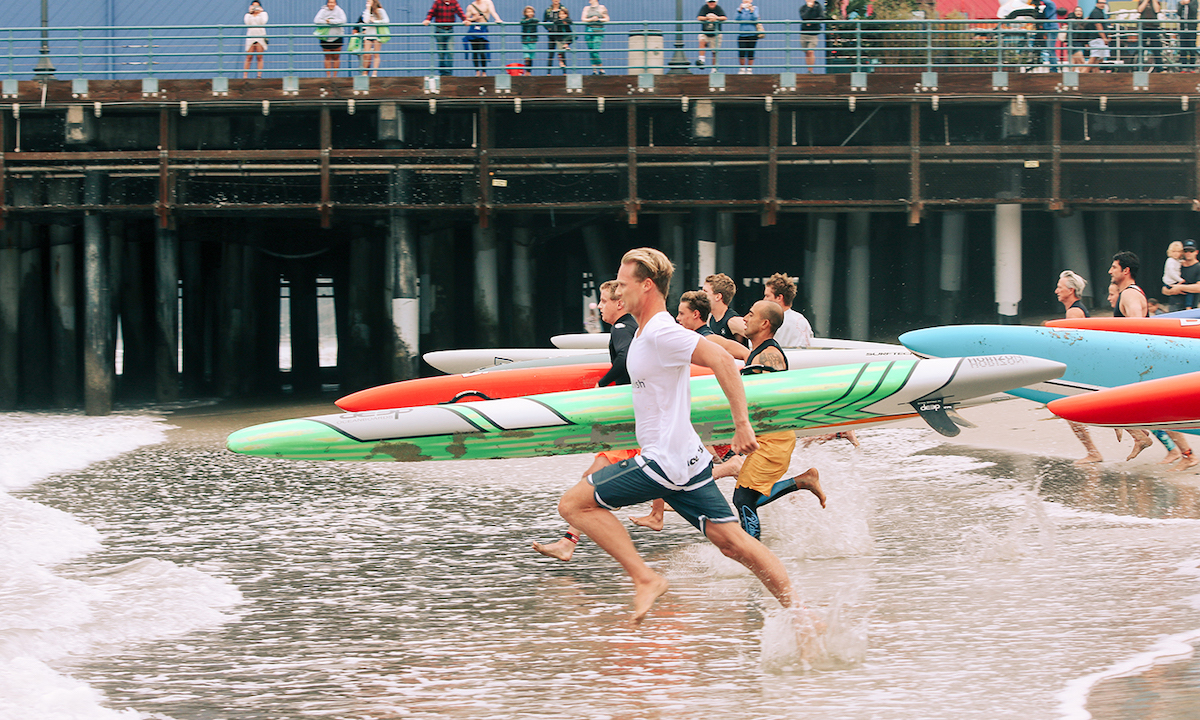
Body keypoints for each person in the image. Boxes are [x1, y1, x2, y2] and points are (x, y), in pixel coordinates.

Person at [557, 247, 803, 623]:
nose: (618, 293)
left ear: (648, 285)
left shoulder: (659, 331)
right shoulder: (643, 334)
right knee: (735, 544)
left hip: (665, 459)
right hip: (685, 459)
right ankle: (803, 617)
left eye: (624, 285)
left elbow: (723, 360)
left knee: (574, 505)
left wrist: (742, 424)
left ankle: (645, 578)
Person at [533, 280, 638, 561]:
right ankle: (570, 541)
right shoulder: (631, 326)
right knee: (592, 483)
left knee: (590, 484)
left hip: (630, 422)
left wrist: (603, 384)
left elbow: (626, 359)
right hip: (631, 419)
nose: (600, 306)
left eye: (603, 301)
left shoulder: (620, 327)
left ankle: (578, 543)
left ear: (620, 303)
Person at [730, 300, 825, 540]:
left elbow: (768, 393)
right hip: (764, 435)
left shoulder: (770, 355)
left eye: (750, 315)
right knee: (747, 497)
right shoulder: (757, 353)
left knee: (743, 498)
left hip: (775, 437)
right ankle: (802, 481)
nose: (744, 318)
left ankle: (754, 555)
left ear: (764, 323)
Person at [1056, 270, 1104, 464]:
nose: (1056, 291)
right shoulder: (1075, 310)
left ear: (1071, 290)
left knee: (1072, 412)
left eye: (1059, 287)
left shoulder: (1074, 312)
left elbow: (1075, 345)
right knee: (1098, 406)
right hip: (1085, 366)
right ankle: (1137, 435)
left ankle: (1093, 453)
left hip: (1081, 369)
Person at [677, 290, 750, 359]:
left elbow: (746, 353)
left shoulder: (709, 339)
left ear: (695, 314)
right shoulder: (688, 336)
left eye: (681, 313)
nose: (678, 318)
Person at [762, 272, 813, 348]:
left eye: (767, 296)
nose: (764, 300)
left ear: (779, 297)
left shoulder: (774, 321)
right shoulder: (802, 319)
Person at [423, 0, 467, 76]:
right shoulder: (437, 2)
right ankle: (442, 73)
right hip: (439, 30)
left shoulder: (454, 2)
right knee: (441, 53)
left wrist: (465, 20)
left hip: (450, 30)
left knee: (450, 52)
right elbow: (431, 12)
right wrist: (427, 19)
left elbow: (460, 12)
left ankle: (449, 74)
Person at [703, 272, 747, 344]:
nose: (702, 295)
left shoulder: (733, 321)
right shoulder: (712, 319)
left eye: (705, 292)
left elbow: (759, 336)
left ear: (718, 297)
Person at [355, 0, 390, 77]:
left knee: (376, 54)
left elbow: (386, 20)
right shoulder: (366, 11)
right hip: (368, 34)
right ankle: (364, 73)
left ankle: (374, 73)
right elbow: (366, 21)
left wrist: (375, 22)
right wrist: (368, 8)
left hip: (377, 34)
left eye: (369, 1)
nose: (368, 3)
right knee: (366, 54)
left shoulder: (380, 10)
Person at [1109, 250, 1148, 319]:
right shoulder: (1129, 293)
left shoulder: (1130, 294)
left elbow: (1136, 323)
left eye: (1114, 267)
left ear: (1126, 270)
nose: (1110, 271)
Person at [314, 0, 348, 78]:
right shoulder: (323, 11)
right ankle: (328, 76)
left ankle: (335, 76)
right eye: (329, 2)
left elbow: (343, 20)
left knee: (336, 57)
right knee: (327, 57)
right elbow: (317, 20)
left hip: (337, 36)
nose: (331, 4)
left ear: (335, 3)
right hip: (325, 37)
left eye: (333, 2)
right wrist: (327, 22)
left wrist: (331, 21)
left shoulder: (339, 11)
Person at [1163, 239, 1200, 310]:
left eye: (1191, 251)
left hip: (1191, 308)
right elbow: (1164, 289)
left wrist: (1180, 287)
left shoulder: (1198, 267)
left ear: (1196, 252)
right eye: (1186, 251)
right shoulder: (1177, 265)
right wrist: (1170, 291)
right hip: (1174, 305)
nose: (1188, 253)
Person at [696, 0, 727, 70]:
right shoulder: (704, 8)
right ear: (707, 2)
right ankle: (701, 60)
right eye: (710, 2)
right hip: (705, 32)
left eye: (713, 2)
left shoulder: (718, 8)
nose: (712, 3)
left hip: (716, 33)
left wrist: (717, 18)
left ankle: (714, 69)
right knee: (702, 41)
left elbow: (724, 17)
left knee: (715, 52)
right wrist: (707, 18)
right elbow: (699, 17)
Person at [581, 0, 609, 74]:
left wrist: (599, 19)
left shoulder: (601, 7)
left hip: (598, 31)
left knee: (595, 50)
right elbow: (583, 19)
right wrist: (591, 19)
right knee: (591, 50)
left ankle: (601, 68)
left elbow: (607, 18)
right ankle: (594, 70)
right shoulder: (586, 8)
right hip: (589, 31)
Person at [464, 2, 491, 76]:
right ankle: (477, 71)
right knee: (475, 52)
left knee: (482, 52)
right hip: (474, 31)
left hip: (482, 30)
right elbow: (465, 19)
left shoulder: (487, 4)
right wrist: (474, 18)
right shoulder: (471, 6)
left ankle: (484, 71)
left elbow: (491, 13)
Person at [244, 2, 268, 79]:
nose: (255, 8)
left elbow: (263, 22)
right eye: (254, 6)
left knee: (259, 57)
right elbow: (247, 23)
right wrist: (251, 13)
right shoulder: (248, 15)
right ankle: (245, 76)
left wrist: (260, 13)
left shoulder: (263, 14)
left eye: (257, 6)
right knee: (249, 57)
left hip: (260, 36)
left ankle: (259, 75)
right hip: (251, 37)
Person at [799, 0, 825, 71]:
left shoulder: (818, 7)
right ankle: (809, 69)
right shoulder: (803, 8)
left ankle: (811, 70)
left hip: (813, 33)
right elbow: (804, 17)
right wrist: (809, 8)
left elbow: (822, 17)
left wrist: (812, 22)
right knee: (806, 52)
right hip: (804, 32)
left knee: (811, 51)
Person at [735, 0, 760, 74]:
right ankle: (742, 69)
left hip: (752, 34)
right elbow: (737, 18)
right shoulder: (739, 9)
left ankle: (749, 69)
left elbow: (755, 18)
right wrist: (740, 10)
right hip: (742, 34)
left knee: (751, 52)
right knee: (741, 52)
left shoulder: (755, 8)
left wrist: (751, 10)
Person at [1137, 0, 1161, 71]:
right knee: (1141, 48)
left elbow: (1157, 10)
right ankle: (1139, 67)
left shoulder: (1156, 2)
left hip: (1154, 27)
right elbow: (1140, 10)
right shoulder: (1141, 1)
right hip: (1143, 27)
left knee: (1157, 49)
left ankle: (1159, 68)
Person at [1087, 0, 1110, 71]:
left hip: (1098, 39)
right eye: (1100, 3)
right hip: (1097, 39)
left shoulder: (1099, 12)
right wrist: (1104, 38)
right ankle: (1081, 76)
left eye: (1104, 3)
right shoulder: (1096, 12)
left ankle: (1096, 77)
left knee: (1097, 61)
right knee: (1094, 59)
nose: (1102, 4)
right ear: (1097, 4)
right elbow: (1098, 25)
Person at [1162, 241, 1185, 312]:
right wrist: (1180, 280)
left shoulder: (1177, 261)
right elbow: (1172, 273)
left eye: (1178, 251)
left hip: (1174, 282)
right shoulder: (1170, 261)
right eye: (1174, 251)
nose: (1176, 254)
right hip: (1171, 282)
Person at [1034, 0, 1058, 66]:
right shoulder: (1047, 8)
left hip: (1052, 28)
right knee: (1049, 48)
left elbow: (1049, 2)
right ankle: (1053, 66)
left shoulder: (1051, 5)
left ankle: (1054, 67)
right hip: (1049, 28)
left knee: (1051, 48)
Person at [544, 0, 566, 71]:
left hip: (560, 34)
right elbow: (544, 21)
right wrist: (549, 28)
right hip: (551, 35)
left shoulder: (563, 9)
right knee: (551, 54)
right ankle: (548, 73)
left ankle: (564, 73)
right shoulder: (548, 10)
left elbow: (567, 20)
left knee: (562, 54)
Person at [552, 7, 575, 72]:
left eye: (564, 14)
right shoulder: (558, 20)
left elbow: (570, 21)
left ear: (566, 15)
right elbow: (555, 22)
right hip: (559, 38)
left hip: (567, 36)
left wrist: (565, 21)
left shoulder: (568, 20)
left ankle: (566, 44)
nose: (562, 15)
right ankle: (561, 62)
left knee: (574, 36)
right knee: (560, 51)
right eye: (561, 14)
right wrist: (562, 21)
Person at [1068, 5, 1087, 72]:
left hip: (1078, 43)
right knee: (1081, 62)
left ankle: (1069, 80)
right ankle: (1083, 78)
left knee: (1073, 63)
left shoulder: (1081, 22)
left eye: (1080, 11)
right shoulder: (1073, 21)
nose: (1079, 12)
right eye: (1077, 10)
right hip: (1075, 43)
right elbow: (1078, 30)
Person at [520, 6, 540, 71]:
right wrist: (528, 21)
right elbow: (522, 22)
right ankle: (527, 68)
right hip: (525, 40)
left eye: (531, 12)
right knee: (526, 56)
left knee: (531, 56)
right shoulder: (523, 20)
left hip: (532, 40)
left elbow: (537, 20)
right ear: (525, 13)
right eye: (528, 12)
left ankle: (528, 71)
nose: (530, 13)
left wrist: (529, 21)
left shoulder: (534, 20)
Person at [1181, 0, 1197, 71]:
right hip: (1182, 29)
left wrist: (1188, 4)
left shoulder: (1194, 1)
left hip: (1191, 29)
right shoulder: (1181, 2)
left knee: (1192, 49)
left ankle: (1192, 67)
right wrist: (1182, 5)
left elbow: (1194, 11)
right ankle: (1183, 67)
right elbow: (1178, 13)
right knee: (1183, 50)